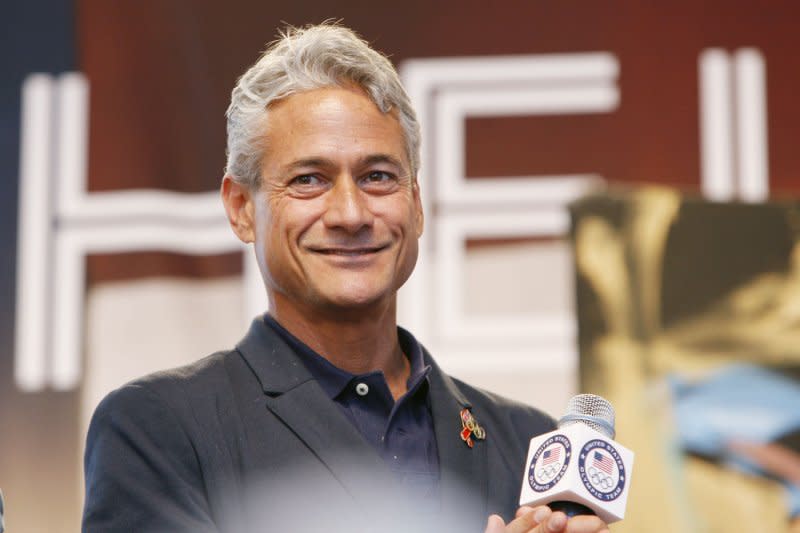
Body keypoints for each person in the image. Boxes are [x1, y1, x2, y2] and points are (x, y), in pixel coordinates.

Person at [82, 23, 610, 533]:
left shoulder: (529, 444)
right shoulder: (159, 428)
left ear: (417, 204)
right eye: (309, 180)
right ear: (241, 208)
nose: (351, 213)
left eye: (377, 176)